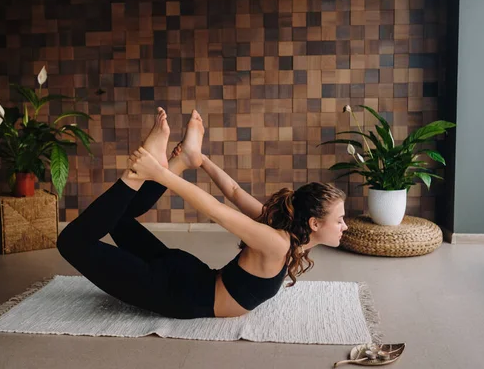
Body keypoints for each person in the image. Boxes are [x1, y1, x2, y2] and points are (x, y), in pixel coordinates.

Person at [57, 108, 348, 320]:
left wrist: (198, 161)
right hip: (176, 293)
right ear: (314, 223)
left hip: (187, 276)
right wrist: (160, 172)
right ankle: (139, 176)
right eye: (340, 219)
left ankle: (179, 162)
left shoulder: (277, 230)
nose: (344, 226)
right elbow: (218, 209)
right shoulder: (277, 242)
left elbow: (233, 192)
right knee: (70, 243)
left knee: (116, 218)